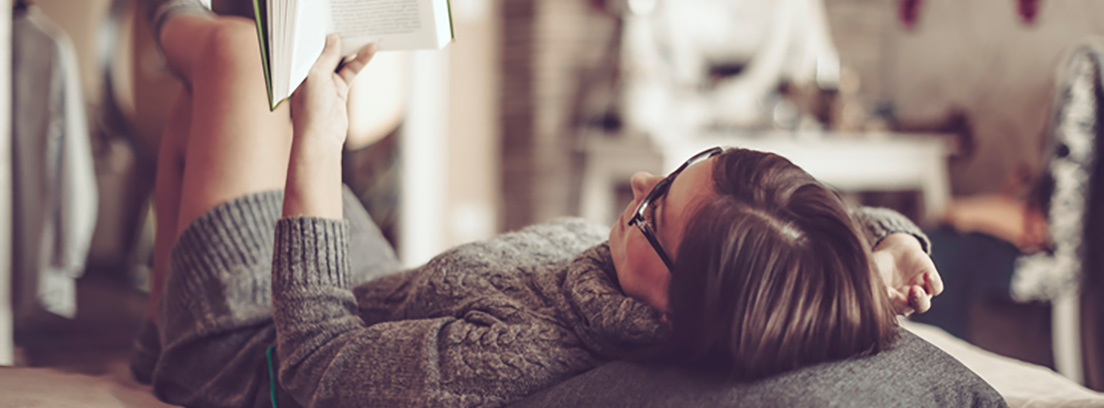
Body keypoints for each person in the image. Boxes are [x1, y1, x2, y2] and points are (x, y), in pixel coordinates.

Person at [132, 2, 944, 407]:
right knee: (207, 115)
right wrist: (886, 244)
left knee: (241, 61)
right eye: (682, 169)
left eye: (653, 212)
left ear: (676, 311)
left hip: (259, 348)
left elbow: (315, 368)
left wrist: (321, 140)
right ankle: (155, 334)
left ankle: (161, 14)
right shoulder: (683, 282)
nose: (636, 189)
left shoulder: (517, 353)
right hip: (375, 285)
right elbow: (796, 257)